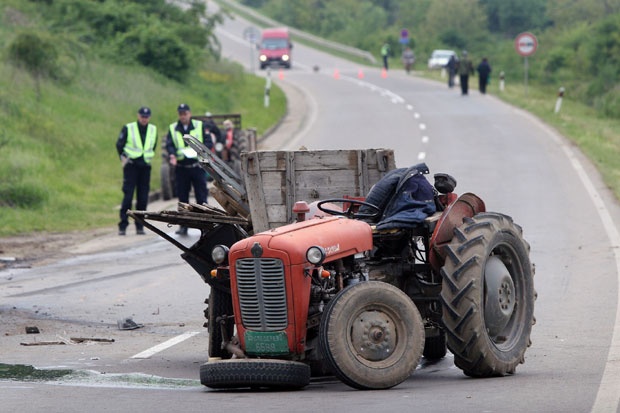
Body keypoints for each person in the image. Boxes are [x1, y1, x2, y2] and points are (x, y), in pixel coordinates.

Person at [165, 103, 212, 236]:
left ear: (189, 114)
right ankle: (184, 225)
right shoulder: (173, 128)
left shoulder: (199, 126)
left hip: (197, 167)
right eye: (181, 114)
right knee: (182, 197)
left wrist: (202, 151)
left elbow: (208, 142)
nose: (183, 116)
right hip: (181, 168)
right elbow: (169, 145)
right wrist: (172, 154)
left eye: (185, 113)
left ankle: (206, 226)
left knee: (201, 197)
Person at [116, 106, 158, 236]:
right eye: (142, 116)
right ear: (138, 116)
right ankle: (123, 225)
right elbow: (119, 145)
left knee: (143, 197)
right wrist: (124, 159)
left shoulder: (153, 129)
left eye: (146, 117)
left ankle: (140, 226)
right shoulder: (129, 128)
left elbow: (153, 145)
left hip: (145, 166)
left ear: (149, 117)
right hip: (131, 166)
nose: (144, 119)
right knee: (128, 196)